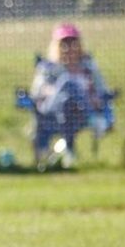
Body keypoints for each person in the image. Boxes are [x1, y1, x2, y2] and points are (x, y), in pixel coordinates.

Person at [28, 23, 112, 167]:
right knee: (67, 84)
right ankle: (68, 152)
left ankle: (69, 151)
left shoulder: (88, 67)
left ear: (79, 45)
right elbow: (36, 94)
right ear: (56, 46)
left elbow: (102, 91)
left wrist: (97, 99)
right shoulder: (48, 68)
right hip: (52, 113)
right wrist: (49, 90)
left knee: (70, 93)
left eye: (73, 43)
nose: (69, 48)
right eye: (64, 43)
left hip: (82, 113)